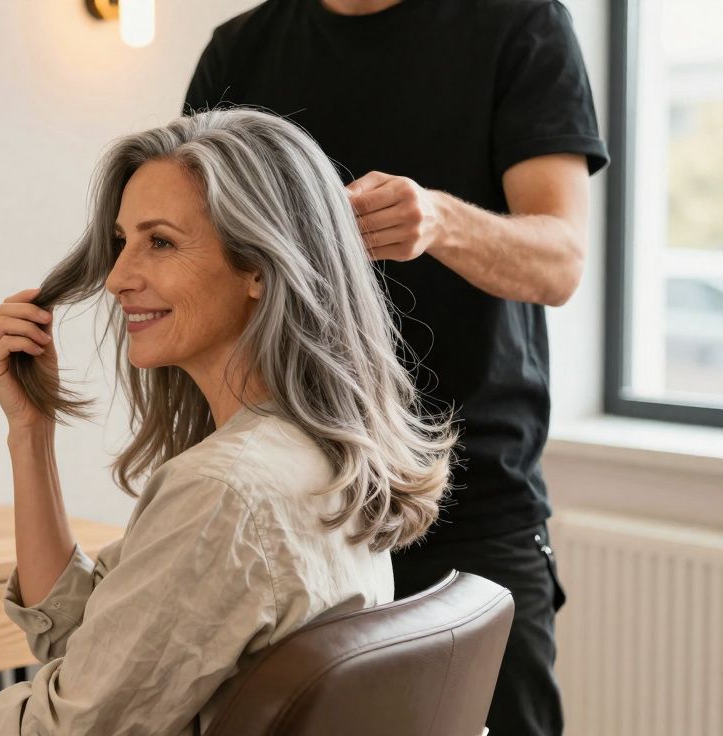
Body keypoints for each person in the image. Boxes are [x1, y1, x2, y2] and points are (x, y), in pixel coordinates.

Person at [0, 110, 455, 735]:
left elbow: (72, 729)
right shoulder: (316, 455)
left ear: (258, 266)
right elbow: (94, 648)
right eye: (122, 242)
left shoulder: (225, 492)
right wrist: (30, 435)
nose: (118, 278)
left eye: (161, 242)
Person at [181, 2, 609, 734]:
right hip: (291, 508)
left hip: (472, 507)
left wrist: (440, 222)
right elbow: (197, 251)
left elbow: (561, 262)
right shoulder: (239, 51)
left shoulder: (519, 23)